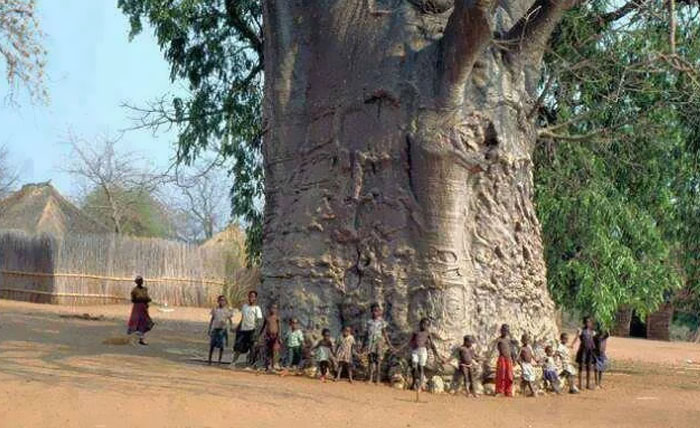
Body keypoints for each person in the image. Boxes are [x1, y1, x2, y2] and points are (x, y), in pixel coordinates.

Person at [408, 318, 445, 391]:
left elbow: (432, 344)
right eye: (423, 324)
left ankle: (420, 385)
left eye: (426, 325)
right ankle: (414, 382)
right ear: (420, 324)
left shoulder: (427, 333)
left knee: (421, 368)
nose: (424, 326)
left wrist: (438, 356)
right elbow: (410, 341)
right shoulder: (416, 332)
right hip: (415, 350)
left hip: (422, 350)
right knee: (414, 366)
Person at [363, 303, 394, 384]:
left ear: (379, 312)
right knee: (370, 361)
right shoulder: (368, 322)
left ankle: (377, 379)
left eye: (377, 311)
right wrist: (363, 345)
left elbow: (385, 333)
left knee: (378, 361)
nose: (375, 313)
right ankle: (370, 378)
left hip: (378, 342)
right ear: (371, 311)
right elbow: (366, 334)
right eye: (373, 311)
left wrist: (389, 344)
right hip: (370, 343)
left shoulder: (382, 322)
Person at [232, 290, 263, 368]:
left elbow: (259, 320)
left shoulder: (257, 308)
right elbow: (242, 318)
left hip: (251, 329)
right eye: (250, 296)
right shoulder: (245, 306)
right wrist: (238, 327)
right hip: (243, 329)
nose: (251, 298)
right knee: (238, 346)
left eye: (253, 296)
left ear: (255, 298)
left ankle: (250, 365)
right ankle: (233, 362)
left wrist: (257, 332)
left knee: (251, 347)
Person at [127, 275, 154, 345]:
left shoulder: (145, 289)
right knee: (136, 323)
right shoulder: (134, 290)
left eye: (141, 281)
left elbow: (147, 297)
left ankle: (141, 339)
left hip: (143, 307)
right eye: (139, 281)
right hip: (137, 308)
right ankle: (134, 340)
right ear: (136, 282)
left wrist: (147, 303)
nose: (140, 282)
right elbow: (133, 299)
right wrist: (140, 299)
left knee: (144, 323)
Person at [572, 316, 596, 390]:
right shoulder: (581, 330)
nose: (587, 323)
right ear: (584, 322)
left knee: (589, 367)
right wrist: (572, 344)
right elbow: (576, 337)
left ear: (591, 323)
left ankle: (588, 384)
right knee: (581, 367)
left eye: (589, 322)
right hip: (583, 351)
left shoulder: (593, 332)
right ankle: (580, 384)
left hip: (590, 351)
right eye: (586, 322)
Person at [207, 295, 233, 365]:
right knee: (212, 345)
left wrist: (231, 327)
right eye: (221, 300)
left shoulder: (227, 310)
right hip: (215, 329)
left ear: (226, 302)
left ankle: (219, 361)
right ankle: (209, 360)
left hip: (222, 329)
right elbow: (212, 319)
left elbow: (230, 320)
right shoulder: (215, 309)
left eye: (223, 300)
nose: (222, 302)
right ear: (218, 301)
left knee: (221, 346)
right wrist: (209, 329)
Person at [259, 303, 282, 371]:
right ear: (269, 309)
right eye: (272, 308)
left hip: (275, 336)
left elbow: (279, 327)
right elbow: (263, 326)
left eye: (275, 308)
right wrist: (260, 335)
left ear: (277, 310)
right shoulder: (267, 317)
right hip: (268, 336)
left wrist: (279, 336)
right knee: (268, 350)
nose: (273, 310)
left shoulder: (277, 318)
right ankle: (268, 364)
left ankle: (274, 364)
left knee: (275, 350)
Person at [494, 324, 514, 397]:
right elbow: (494, 349)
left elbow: (511, 350)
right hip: (502, 358)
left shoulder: (509, 340)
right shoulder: (499, 340)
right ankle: (500, 391)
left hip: (508, 359)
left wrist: (514, 359)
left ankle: (508, 391)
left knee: (509, 375)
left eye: (507, 330)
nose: (505, 332)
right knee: (501, 375)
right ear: (501, 331)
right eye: (504, 330)